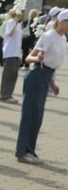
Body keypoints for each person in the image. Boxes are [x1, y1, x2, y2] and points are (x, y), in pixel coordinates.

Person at [16, 9, 68, 164]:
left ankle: (29, 150)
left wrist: (52, 83)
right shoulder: (49, 36)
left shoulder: (62, 38)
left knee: (37, 116)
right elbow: (28, 58)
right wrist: (37, 58)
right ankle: (23, 152)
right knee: (30, 115)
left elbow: (52, 63)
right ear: (61, 21)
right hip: (36, 75)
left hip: (45, 76)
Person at [0, 9, 24, 103]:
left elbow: (18, 40)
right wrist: (15, 24)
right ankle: (4, 96)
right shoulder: (10, 22)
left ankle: (9, 94)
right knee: (8, 74)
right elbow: (9, 34)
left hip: (16, 53)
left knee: (14, 75)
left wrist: (20, 54)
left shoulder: (18, 24)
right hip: (10, 52)